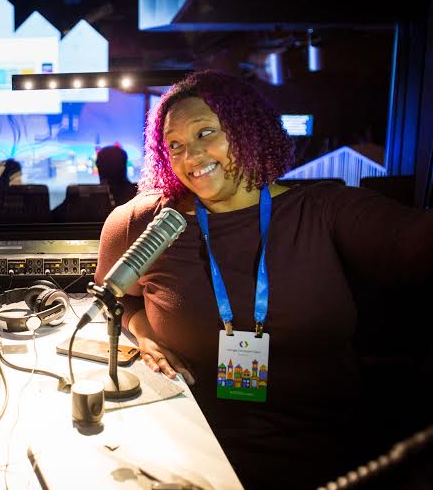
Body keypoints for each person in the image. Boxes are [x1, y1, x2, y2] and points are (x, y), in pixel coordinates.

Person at [95, 70, 433, 489]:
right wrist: (143, 333)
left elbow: (417, 243)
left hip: (325, 457)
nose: (190, 156)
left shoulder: (327, 211)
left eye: (206, 133)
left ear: (248, 131)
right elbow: (117, 299)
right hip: (187, 450)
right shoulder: (141, 221)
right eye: (175, 145)